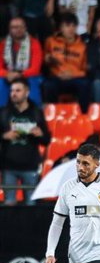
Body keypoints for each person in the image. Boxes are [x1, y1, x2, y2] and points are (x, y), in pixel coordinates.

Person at [0, 77, 50, 205]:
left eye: (18, 90)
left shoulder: (36, 113)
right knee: (8, 206)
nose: (14, 94)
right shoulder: (4, 113)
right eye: (12, 91)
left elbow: (47, 139)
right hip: (8, 166)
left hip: (31, 166)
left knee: (31, 206)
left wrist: (40, 134)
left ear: (27, 92)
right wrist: (4, 136)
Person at [43, 12, 90, 112]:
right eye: (67, 26)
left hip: (75, 78)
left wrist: (72, 74)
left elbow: (85, 69)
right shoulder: (51, 41)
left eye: (74, 26)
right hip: (56, 77)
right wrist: (47, 59)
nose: (71, 29)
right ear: (61, 28)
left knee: (85, 84)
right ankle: (52, 115)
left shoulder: (82, 46)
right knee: (48, 85)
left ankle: (84, 116)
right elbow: (44, 61)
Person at [0, 16, 43, 106]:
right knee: (1, 84)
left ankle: (34, 116)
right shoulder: (3, 44)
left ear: (25, 28)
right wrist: (7, 74)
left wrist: (20, 75)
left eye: (20, 27)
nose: (18, 29)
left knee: (33, 85)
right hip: (8, 75)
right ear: (9, 29)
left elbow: (36, 68)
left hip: (28, 75)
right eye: (14, 27)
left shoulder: (34, 43)